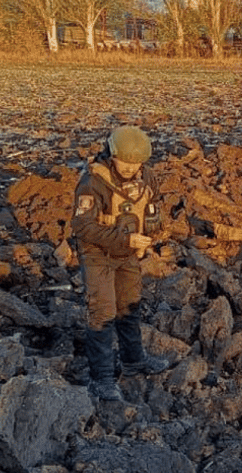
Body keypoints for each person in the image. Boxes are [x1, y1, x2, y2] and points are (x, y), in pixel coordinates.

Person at [70, 125, 171, 401]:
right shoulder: (93, 183)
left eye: (136, 162)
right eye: (124, 161)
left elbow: (153, 206)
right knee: (103, 314)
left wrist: (153, 230)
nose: (129, 168)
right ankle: (101, 378)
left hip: (128, 254)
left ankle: (134, 362)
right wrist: (126, 240)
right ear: (112, 154)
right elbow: (83, 227)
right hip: (97, 254)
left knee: (129, 309)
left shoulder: (147, 177)